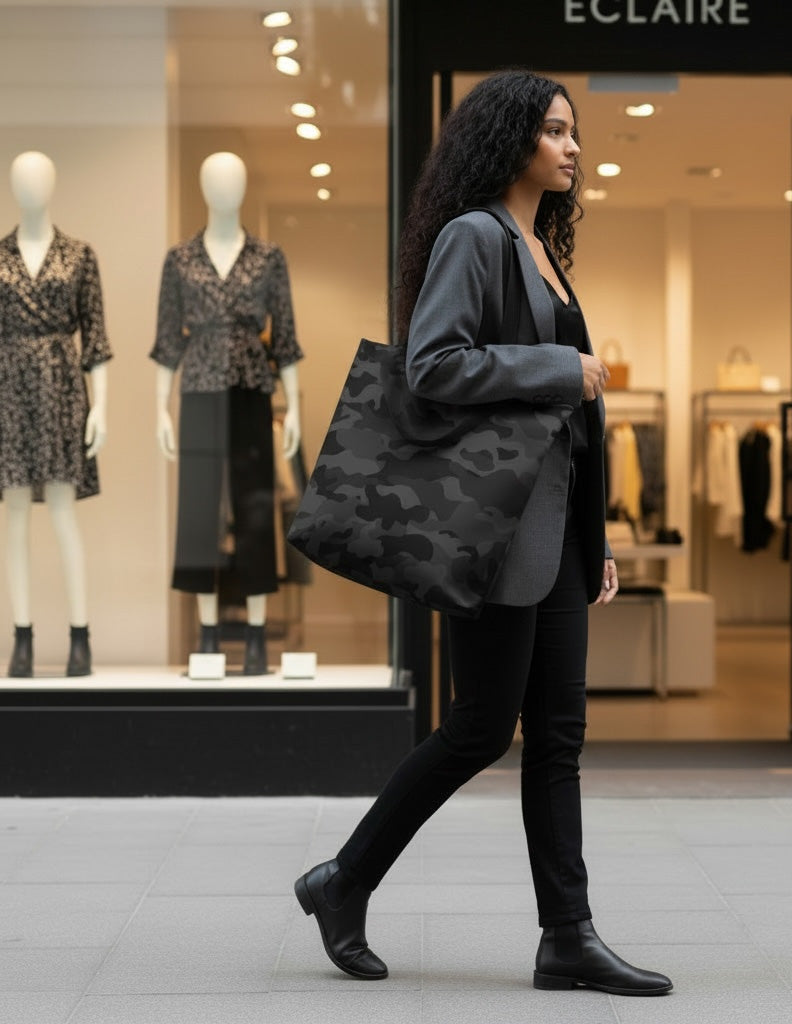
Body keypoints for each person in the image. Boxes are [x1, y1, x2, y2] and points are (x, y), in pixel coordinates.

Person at [293, 70, 672, 996]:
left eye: (573, 132)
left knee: (559, 737)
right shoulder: (475, 237)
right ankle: (343, 880)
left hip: (557, 534)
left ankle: (568, 937)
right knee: (476, 729)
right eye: (553, 131)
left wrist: (600, 536)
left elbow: (570, 430)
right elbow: (433, 363)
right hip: (493, 531)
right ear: (511, 141)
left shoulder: (539, 246)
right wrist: (562, 365)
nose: (572, 146)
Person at [150, 152, 302, 674]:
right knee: (198, 511)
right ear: (202, 185)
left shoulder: (268, 257)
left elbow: (284, 336)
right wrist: (160, 409)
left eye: (234, 179)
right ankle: (208, 632)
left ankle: (257, 634)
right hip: (197, 390)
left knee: (255, 506)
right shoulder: (180, 259)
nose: (225, 188)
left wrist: (296, 410)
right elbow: (168, 340)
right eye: (215, 179)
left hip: (251, 388)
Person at [1, 151, 112, 678]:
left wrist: (102, 407)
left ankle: (79, 636)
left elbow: (95, 337)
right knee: (16, 511)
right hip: (9, 390)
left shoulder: (79, 254)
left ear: (53, 182)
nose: (30, 185)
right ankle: (21, 637)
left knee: (64, 513)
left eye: (39, 176)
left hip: (63, 387)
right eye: (21, 177)